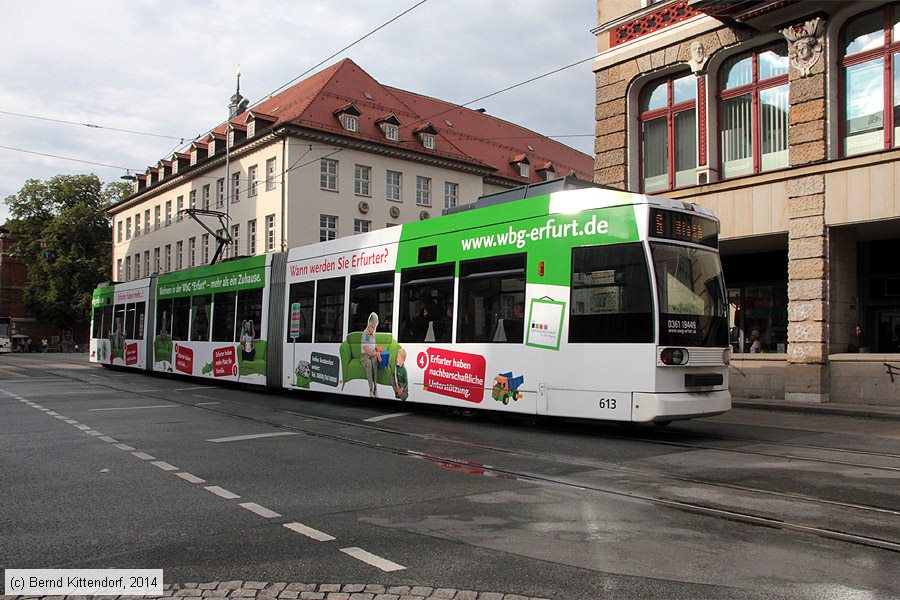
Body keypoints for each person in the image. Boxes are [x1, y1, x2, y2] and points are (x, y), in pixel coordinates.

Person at [360, 312, 380, 397]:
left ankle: (376, 387)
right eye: (372, 327)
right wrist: (376, 354)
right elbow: (366, 350)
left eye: (375, 327)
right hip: (364, 356)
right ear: (369, 324)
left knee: (375, 362)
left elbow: (373, 344)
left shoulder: (372, 334)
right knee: (369, 363)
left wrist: (378, 349)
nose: (373, 329)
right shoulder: (366, 334)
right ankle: (371, 389)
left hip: (372, 355)